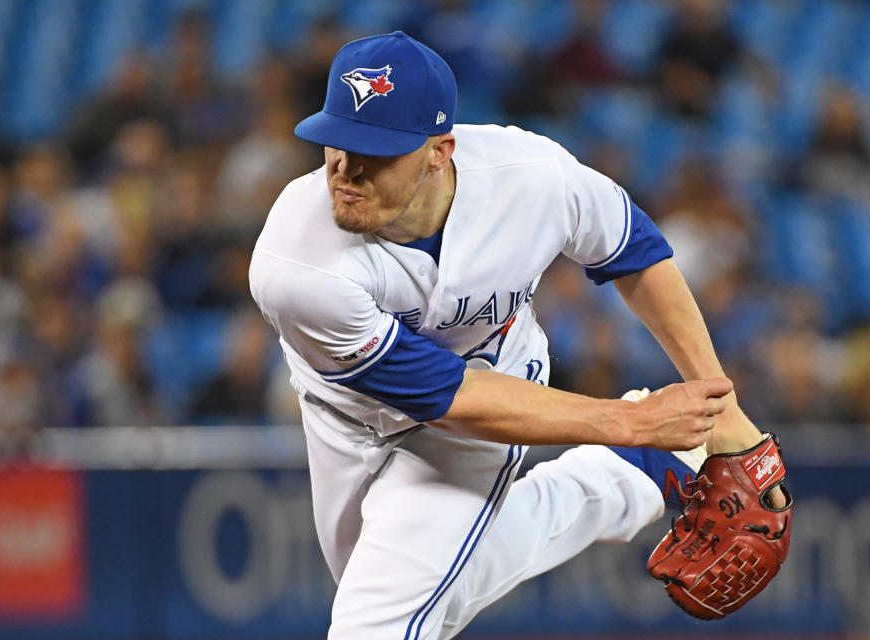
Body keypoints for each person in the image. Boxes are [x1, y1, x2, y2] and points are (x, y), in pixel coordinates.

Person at [249, 31, 785, 639]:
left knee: (375, 622)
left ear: (438, 152)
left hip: (493, 380)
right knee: (434, 599)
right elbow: (442, 396)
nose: (346, 169)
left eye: (376, 151)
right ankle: (626, 472)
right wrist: (634, 427)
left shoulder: (527, 175)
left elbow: (633, 248)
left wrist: (723, 403)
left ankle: (628, 467)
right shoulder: (298, 264)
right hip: (345, 415)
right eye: (337, 143)